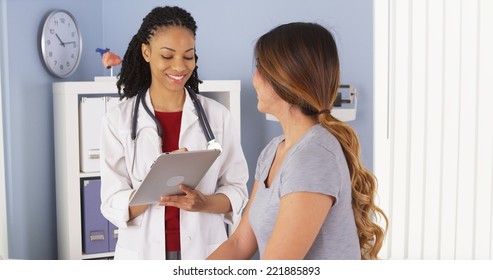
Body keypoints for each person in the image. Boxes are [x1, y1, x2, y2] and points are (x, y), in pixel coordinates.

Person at [207, 22, 388, 260]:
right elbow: (240, 243)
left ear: (285, 79)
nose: (254, 78)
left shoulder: (313, 156)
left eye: (260, 68)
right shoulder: (274, 150)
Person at [100, 6, 249, 260]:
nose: (179, 66)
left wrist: (203, 203)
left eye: (188, 56)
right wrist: (158, 182)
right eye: (167, 56)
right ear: (146, 53)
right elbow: (112, 202)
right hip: (142, 254)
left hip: (205, 252)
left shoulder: (218, 117)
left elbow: (236, 189)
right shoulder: (118, 120)